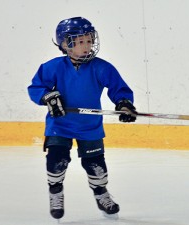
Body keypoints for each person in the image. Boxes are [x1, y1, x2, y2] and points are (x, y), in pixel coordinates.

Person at [27, 17, 137, 220]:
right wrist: (48, 97)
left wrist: (124, 104)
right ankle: (55, 191)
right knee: (56, 161)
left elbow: (118, 88)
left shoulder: (102, 67)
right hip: (59, 125)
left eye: (89, 40)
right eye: (80, 42)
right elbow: (36, 88)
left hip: (89, 126)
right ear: (65, 44)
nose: (87, 46)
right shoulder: (53, 67)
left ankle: (101, 193)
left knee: (96, 165)